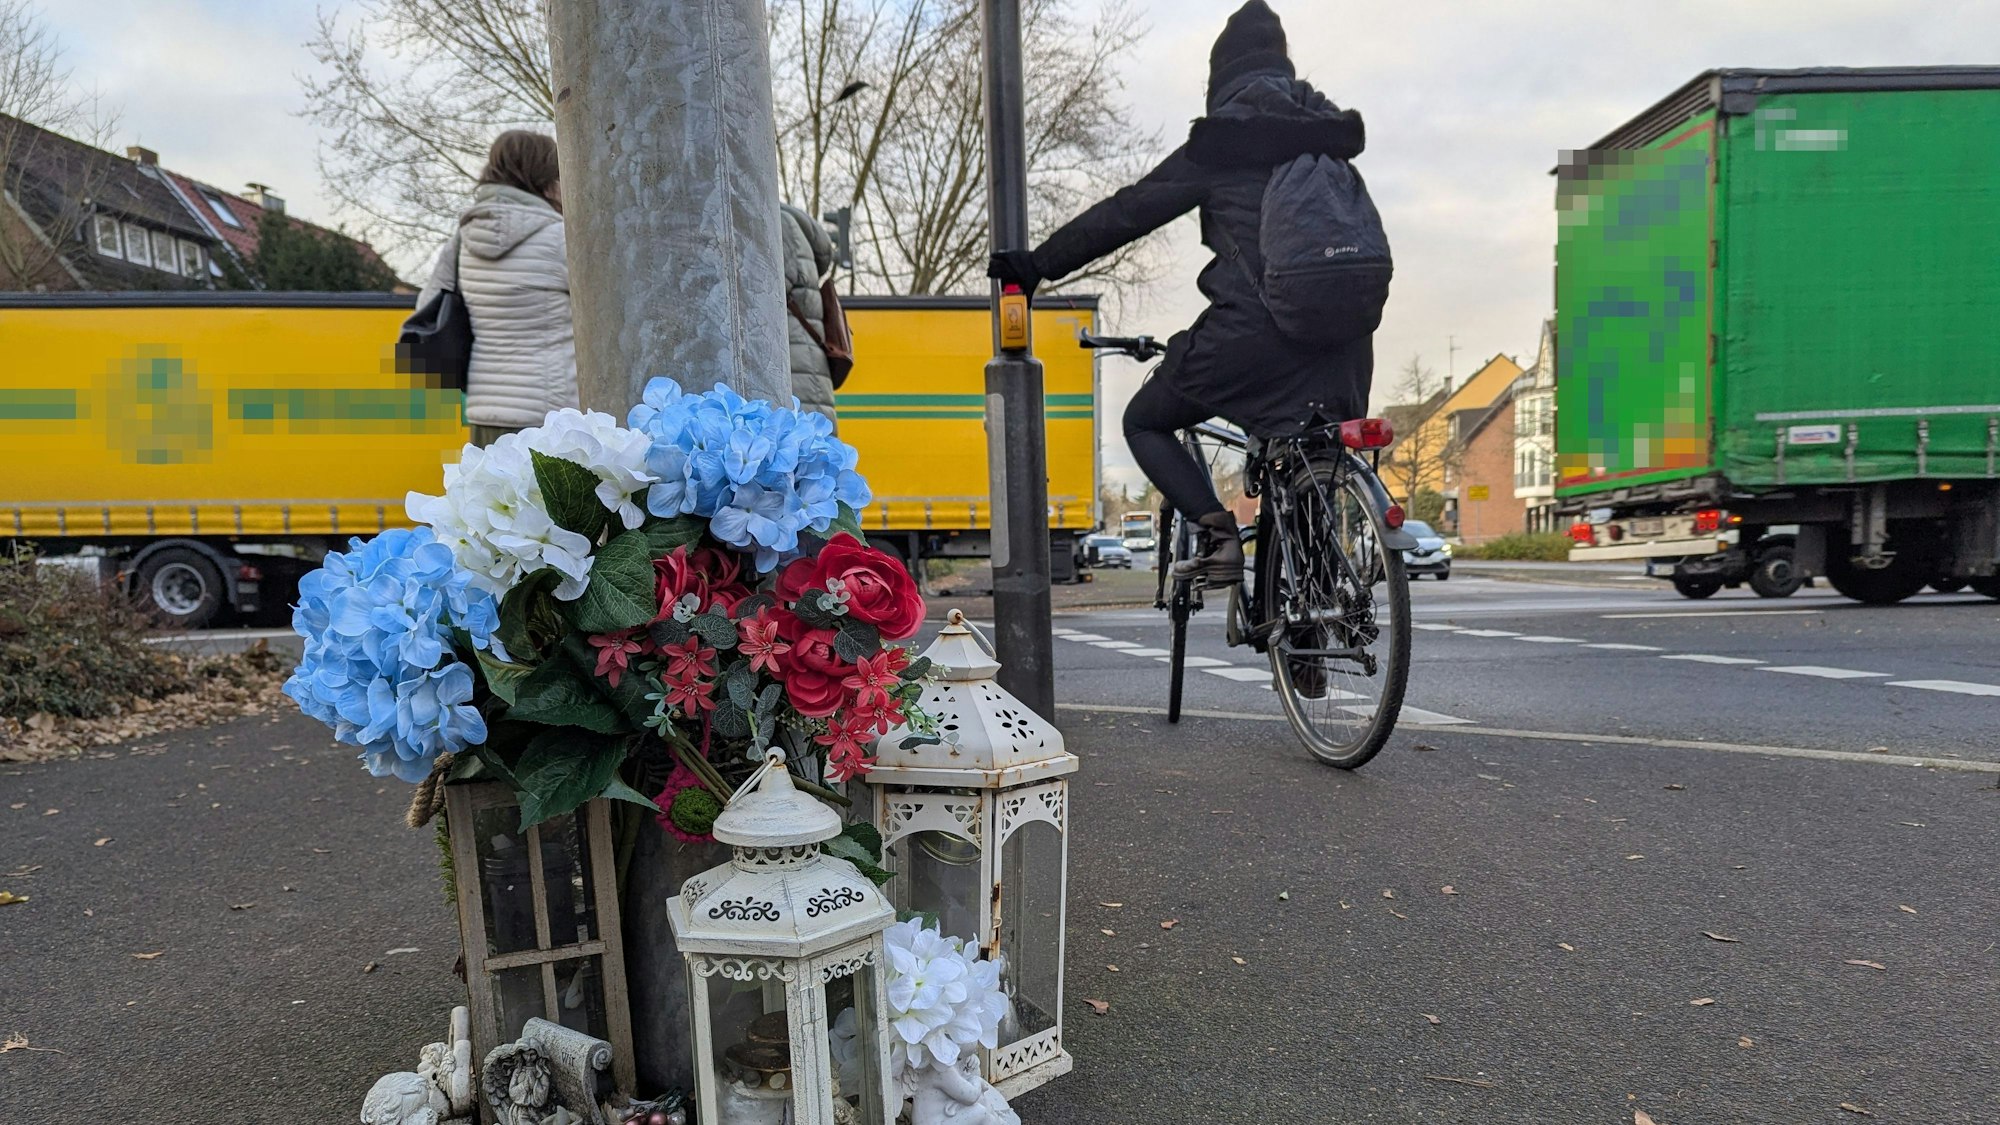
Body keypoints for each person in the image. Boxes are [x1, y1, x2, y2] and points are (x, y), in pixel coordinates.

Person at [988, 0, 1373, 586]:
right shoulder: (1329, 142)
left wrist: (1039, 265)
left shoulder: (1223, 141)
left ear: (1221, 79)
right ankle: (1313, 636)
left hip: (1253, 332)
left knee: (1144, 420)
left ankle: (1220, 537)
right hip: (1347, 341)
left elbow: (1128, 213)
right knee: (1309, 459)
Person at [433, 130, 576, 447]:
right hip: (550, 416)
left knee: (491, 497)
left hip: (486, 411)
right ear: (546, 180)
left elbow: (429, 306)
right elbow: (601, 317)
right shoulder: (560, 238)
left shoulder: (461, 241)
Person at [780, 203, 841, 426]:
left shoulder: (776, 224)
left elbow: (761, 293)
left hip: (794, 370)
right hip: (807, 367)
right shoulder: (793, 227)